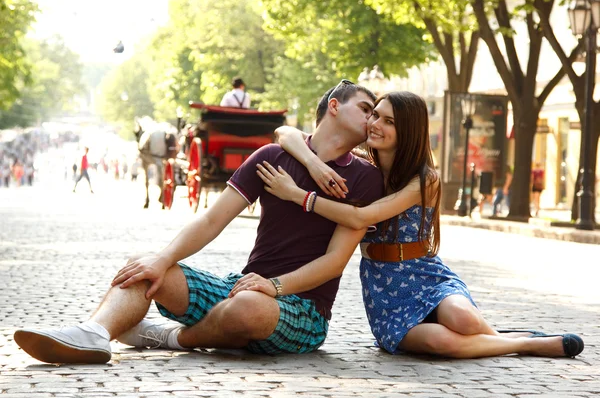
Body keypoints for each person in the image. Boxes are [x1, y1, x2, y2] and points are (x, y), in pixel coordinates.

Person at [13, 82, 383, 364]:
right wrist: (162, 259)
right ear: (333, 106)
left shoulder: (367, 179)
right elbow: (211, 220)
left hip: (302, 309)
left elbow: (335, 261)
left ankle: (175, 338)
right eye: (366, 108)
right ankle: (93, 333)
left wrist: (273, 286)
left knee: (246, 308)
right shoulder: (273, 155)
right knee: (143, 266)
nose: (372, 119)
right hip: (242, 287)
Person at [256, 91, 584, 359]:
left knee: (463, 318)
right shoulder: (363, 171)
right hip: (385, 286)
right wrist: (314, 165)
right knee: (440, 343)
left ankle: (506, 338)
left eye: (389, 121)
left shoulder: (424, 180)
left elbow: (359, 218)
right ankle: (524, 343)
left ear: (408, 131)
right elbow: (285, 133)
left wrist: (299, 195)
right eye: (375, 116)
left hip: (426, 275)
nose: (375, 124)